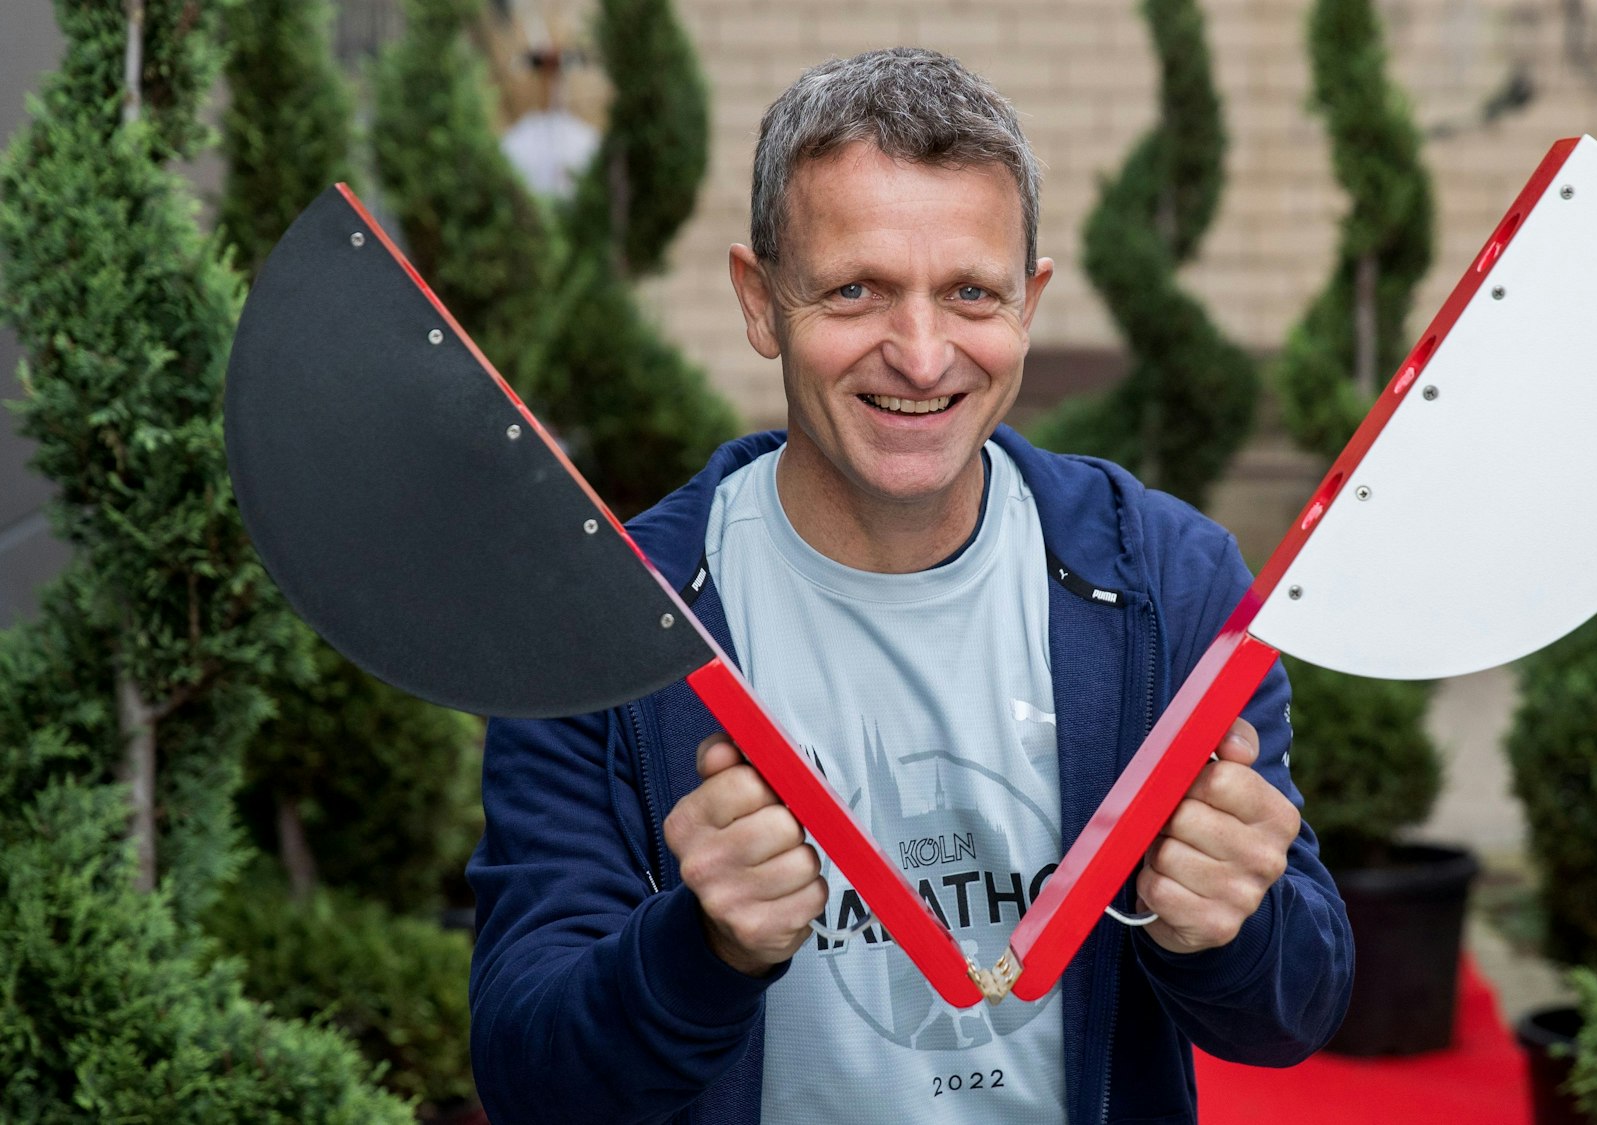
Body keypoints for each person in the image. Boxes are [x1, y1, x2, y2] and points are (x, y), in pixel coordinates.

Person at [467, 47, 1351, 1125]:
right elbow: (527, 1073)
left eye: (969, 293)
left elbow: (1291, 1013)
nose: (923, 356)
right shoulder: (609, 616)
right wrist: (699, 949)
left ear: (1027, 307)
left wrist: (1231, 927)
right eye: (855, 291)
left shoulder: (1168, 581)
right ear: (759, 303)